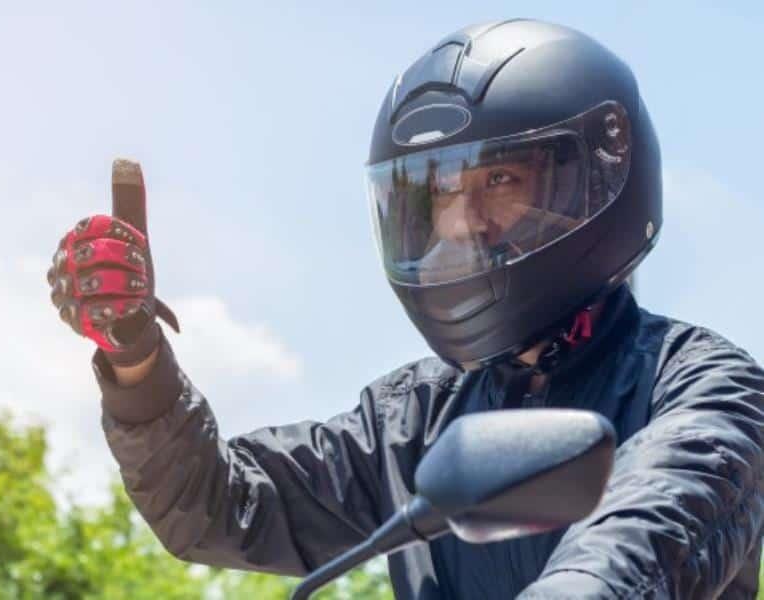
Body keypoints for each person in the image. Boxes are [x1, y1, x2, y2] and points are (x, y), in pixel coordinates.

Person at [46, 19, 764, 599]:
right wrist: (134, 353)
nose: (460, 224)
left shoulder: (704, 388)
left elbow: (653, 527)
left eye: (501, 179)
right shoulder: (418, 418)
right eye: (438, 196)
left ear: (600, 175)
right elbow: (219, 504)